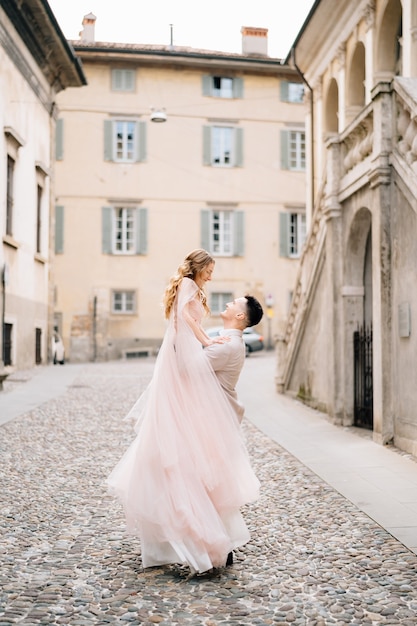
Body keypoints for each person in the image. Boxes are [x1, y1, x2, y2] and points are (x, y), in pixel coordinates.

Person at [107, 249, 260, 575]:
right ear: (200, 267)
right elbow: (187, 322)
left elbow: (191, 350)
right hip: (191, 374)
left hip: (196, 384)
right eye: (211, 270)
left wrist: (205, 342)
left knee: (181, 461)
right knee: (187, 464)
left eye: (234, 304)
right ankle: (197, 538)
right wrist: (205, 340)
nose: (213, 278)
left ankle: (200, 538)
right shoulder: (195, 295)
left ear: (241, 318)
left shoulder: (230, 344)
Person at [204, 296, 264, 424]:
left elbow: (185, 367)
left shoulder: (226, 345)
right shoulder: (235, 342)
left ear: (240, 315)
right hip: (220, 411)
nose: (227, 303)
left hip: (214, 415)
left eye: (233, 303)